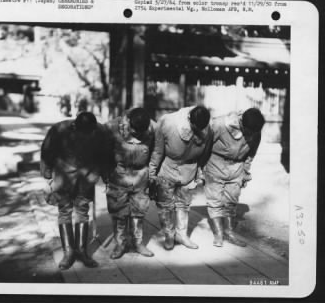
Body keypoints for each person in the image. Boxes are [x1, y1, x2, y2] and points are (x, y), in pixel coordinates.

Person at [40, 112, 109, 270]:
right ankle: (69, 253)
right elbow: (47, 150)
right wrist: (47, 173)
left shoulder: (100, 131)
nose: (87, 135)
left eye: (90, 132)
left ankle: (82, 251)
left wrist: (105, 175)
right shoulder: (59, 129)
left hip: (86, 176)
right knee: (64, 211)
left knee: (82, 211)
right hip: (63, 177)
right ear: (75, 126)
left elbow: (105, 154)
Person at [149, 106, 213, 250]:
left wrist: (199, 172)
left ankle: (182, 235)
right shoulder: (168, 122)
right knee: (165, 207)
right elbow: (158, 151)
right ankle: (169, 235)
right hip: (167, 171)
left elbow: (205, 155)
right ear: (189, 119)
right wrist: (152, 174)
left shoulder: (208, 129)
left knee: (184, 205)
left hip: (189, 172)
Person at [204, 108, 264, 247]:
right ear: (241, 123)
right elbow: (205, 146)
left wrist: (245, 171)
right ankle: (218, 234)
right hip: (216, 164)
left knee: (232, 200)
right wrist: (202, 168)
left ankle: (229, 233)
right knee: (215, 200)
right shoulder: (219, 124)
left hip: (237, 167)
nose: (250, 135)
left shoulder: (255, 130)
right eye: (248, 132)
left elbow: (251, 153)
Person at [104, 108, 156, 259]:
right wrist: (107, 174)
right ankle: (120, 244)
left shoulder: (153, 128)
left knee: (138, 212)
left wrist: (151, 173)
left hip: (141, 177)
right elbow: (104, 153)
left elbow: (156, 151)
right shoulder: (112, 127)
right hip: (118, 176)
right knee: (119, 212)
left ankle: (137, 243)